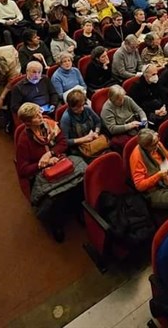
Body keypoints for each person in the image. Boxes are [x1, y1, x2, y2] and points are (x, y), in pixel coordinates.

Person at [15, 103, 86, 242]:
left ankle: (78, 208)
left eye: (39, 112)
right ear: (28, 123)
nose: (40, 117)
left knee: (82, 177)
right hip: (42, 172)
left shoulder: (48, 124)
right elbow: (23, 170)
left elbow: (63, 143)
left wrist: (51, 154)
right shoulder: (24, 141)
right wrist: (43, 163)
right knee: (55, 197)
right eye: (36, 116)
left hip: (59, 161)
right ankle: (57, 224)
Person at [130, 129, 168, 213]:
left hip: (167, 180)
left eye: (158, 141)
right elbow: (139, 186)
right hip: (153, 191)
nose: (158, 145)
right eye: (154, 145)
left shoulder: (157, 145)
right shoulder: (137, 157)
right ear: (146, 147)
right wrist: (158, 175)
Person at [59, 89, 107, 160]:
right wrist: (84, 139)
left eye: (82, 105)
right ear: (70, 107)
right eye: (77, 108)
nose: (81, 109)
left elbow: (98, 121)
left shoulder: (87, 109)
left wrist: (96, 132)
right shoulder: (66, 118)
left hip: (94, 140)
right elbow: (64, 141)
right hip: (79, 148)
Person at [100, 85, 147, 151]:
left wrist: (144, 120)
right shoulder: (107, 110)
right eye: (119, 100)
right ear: (112, 100)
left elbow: (139, 110)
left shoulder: (126, 99)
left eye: (123, 98)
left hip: (135, 126)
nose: (122, 101)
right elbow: (112, 129)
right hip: (122, 133)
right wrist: (129, 126)